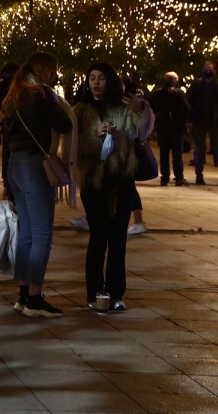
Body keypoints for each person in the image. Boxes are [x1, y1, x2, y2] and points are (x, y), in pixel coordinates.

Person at [72, 63, 153, 312]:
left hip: (121, 181)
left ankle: (116, 293)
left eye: (101, 78)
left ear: (110, 81)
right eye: (92, 78)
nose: (96, 83)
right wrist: (93, 134)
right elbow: (72, 147)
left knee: (118, 239)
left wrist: (141, 109)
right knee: (97, 238)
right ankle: (94, 292)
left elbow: (142, 132)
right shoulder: (80, 110)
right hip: (94, 183)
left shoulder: (123, 107)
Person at [1, 51, 73, 318]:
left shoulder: (14, 96)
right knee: (42, 235)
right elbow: (64, 124)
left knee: (27, 235)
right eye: (54, 69)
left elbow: (7, 142)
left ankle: (23, 295)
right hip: (34, 166)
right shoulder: (42, 95)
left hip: (15, 166)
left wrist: (6, 180)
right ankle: (34, 298)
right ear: (45, 70)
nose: (56, 75)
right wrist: (56, 99)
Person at [186, 61, 218, 186]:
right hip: (199, 120)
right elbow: (188, 100)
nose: (208, 71)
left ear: (215, 71)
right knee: (200, 149)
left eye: (210, 69)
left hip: (214, 121)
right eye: (206, 69)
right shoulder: (196, 85)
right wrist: (191, 116)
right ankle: (199, 176)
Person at [149, 72, 190, 186]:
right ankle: (179, 178)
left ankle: (165, 177)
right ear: (174, 81)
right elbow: (186, 109)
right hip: (176, 128)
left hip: (163, 128)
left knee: (164, 154)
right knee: (177, 155)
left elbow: (151, 107)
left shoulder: (158, 93)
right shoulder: (179, 93)